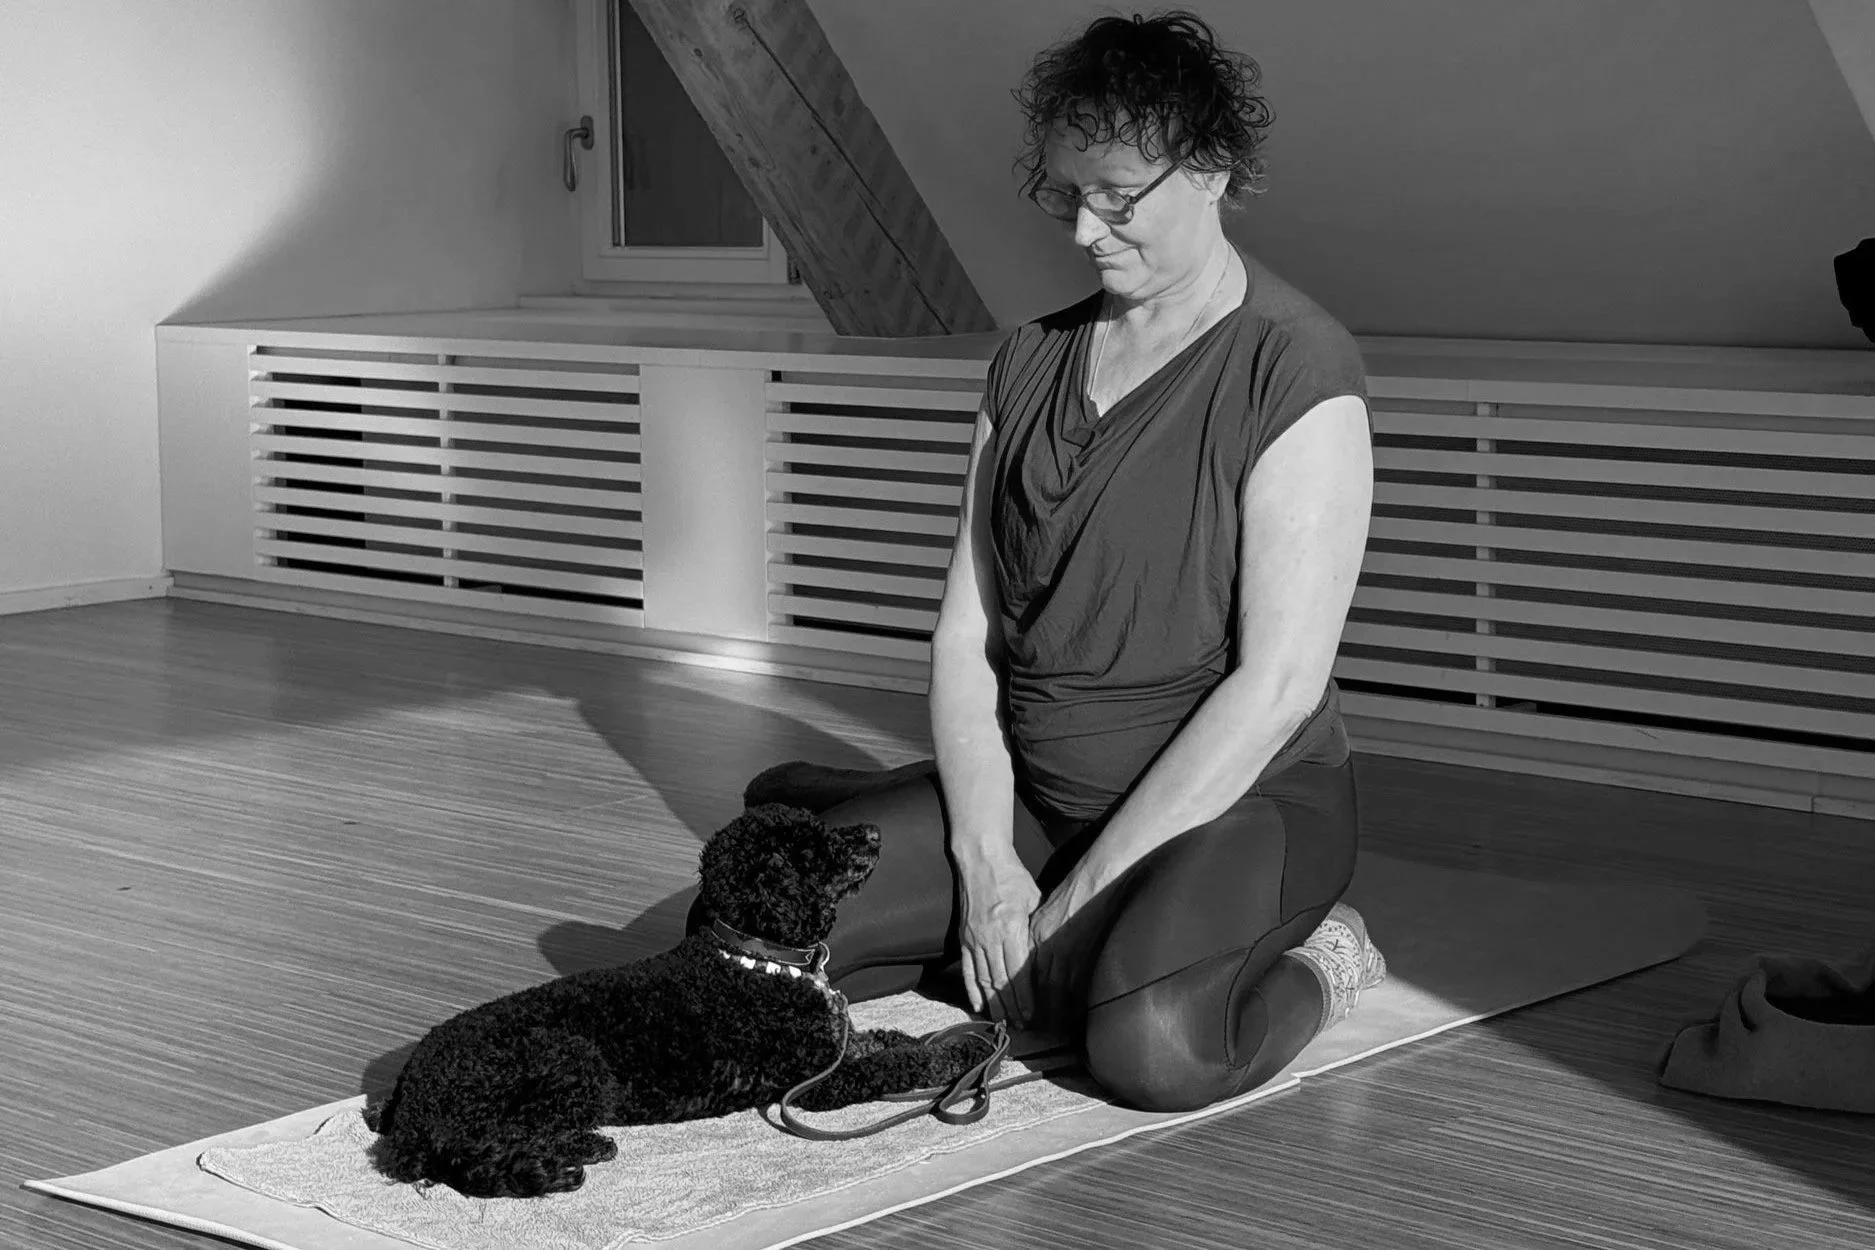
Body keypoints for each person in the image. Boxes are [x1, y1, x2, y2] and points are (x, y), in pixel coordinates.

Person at [693, 10, 1383, 1114]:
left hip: (1238, 809)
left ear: (1209, 169)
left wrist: (1061, 917)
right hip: (1043, 796)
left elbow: (1276, 688)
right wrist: (987, 869)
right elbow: (965, 637)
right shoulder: (1027, 359)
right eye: (1067, 196)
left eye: (1115, 197)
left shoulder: (1295, 365)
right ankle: (998, 903)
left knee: (1153, 1046)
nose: (1083, 231)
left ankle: (1324, 959)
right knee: (753, 939)